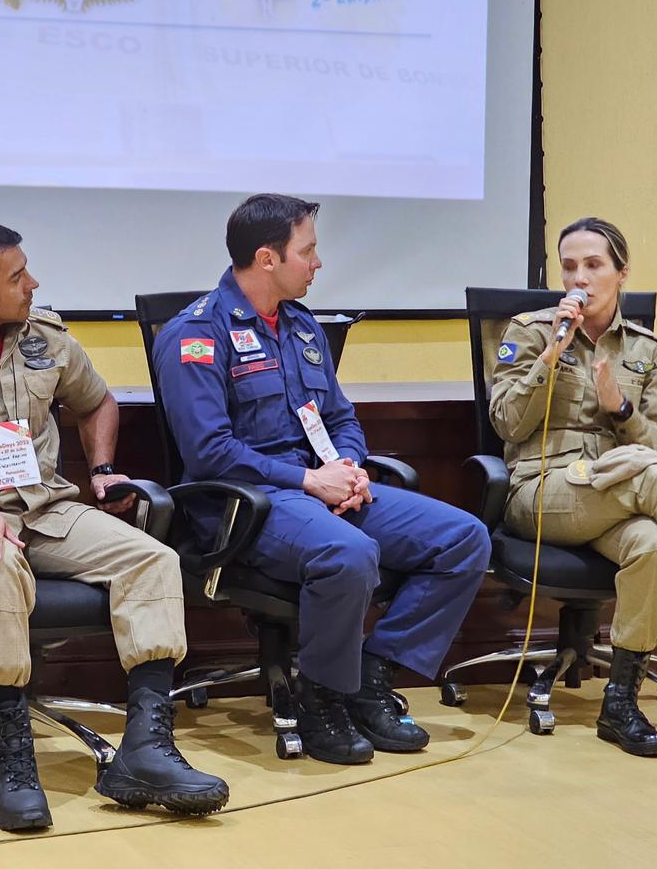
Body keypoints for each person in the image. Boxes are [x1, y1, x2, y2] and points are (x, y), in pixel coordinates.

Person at [0, 220, 228, 831]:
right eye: (16, 276)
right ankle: (14, 758)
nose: (32, 283)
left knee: (151, 557)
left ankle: (145, 751)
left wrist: (105, 469)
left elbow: (97, 401)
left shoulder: (47, 337)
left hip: (47, 509)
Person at [154, 193, 491, 764]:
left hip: (323, 485)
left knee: (464, 538)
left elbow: (338, 417)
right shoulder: (196, 334)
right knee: (350, 553)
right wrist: (310, 481)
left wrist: (350, 468)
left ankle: (368, 677)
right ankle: (321, 696)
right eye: (307, 250)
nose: (318, 262)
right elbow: (210, 453)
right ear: (267, 258)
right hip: (250, 503)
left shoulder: (301, 325)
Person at [489, 216, 657, 756]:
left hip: (618, 494)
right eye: (569, 267)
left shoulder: (644, 349)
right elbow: (507, 424)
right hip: (543, 491)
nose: (579, 279)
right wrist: (550, 356)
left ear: (621, 274)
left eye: (593, 266)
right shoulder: (530, 330)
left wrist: (620, 407)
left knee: (654, 546)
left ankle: (619, 702)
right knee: (651, 477)